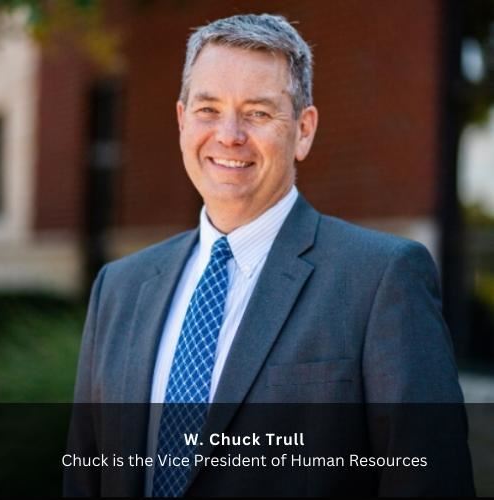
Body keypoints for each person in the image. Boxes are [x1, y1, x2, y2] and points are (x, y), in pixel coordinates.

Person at [64, 13, 475, 497]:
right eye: (208, 109)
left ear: (303, 130)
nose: (230, 135)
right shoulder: (119, 288)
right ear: (181, 120)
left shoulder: (382, 280)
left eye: (258, 112)